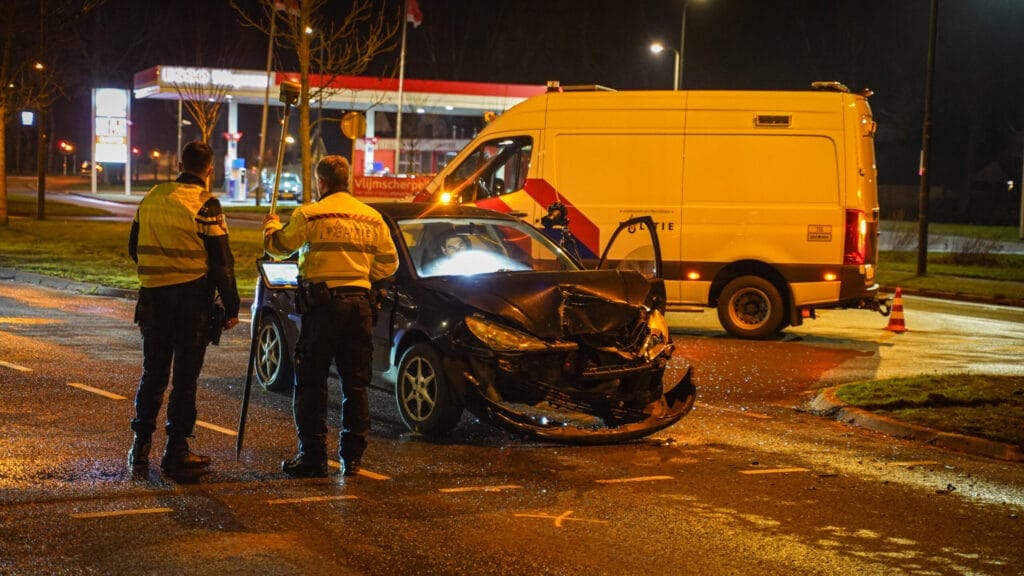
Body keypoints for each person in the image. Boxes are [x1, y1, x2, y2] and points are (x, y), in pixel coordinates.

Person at [263, 156, 398, 477]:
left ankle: (313, 456)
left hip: (322, 308)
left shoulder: (310, 214)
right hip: (360, 307)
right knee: (356, 384)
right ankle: (352, 458)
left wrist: (270, 227)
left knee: (311, 381)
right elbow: (389, 264)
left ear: (321, 182)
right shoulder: (372, 217)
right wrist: (362, 275)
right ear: (347, 180)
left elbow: (281, 246)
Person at [127, 141, 241, 473]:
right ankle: (176, 451)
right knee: (185, 379)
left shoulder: (151, 197)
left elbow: (134, 246)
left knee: (153, 373)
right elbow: (222, 262)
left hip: (152, 301)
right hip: (191, 303)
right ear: (209, 170)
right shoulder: (207, 204)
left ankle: (140, 446)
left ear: (179, 166)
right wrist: (232, 307)